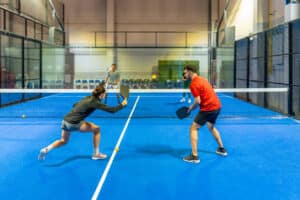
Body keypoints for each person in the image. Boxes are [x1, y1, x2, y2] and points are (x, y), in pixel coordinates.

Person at [38, 84, 127, 161]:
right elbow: (112, 110)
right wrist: (122, 105)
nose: (106, 94)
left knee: (64, 140)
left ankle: (46, 149)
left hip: (65, 120)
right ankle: (96, 154)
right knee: (97, 129)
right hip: (74, 123)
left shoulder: (87, 97)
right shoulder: (95, 102)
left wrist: (81, 111)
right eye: (105, 93)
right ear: (102, 94)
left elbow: (75, 105)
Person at [182, 65, 227, 164]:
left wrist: (190, 108)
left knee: (193, 128)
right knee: (210, 126)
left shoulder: (193, 84)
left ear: (190, 72)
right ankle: (222, 149)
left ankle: (194, 156)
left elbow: (198, 101)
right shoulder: (203, 79)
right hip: (217, 107)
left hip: (208, 108)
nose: (184, 75)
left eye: (185, 73)